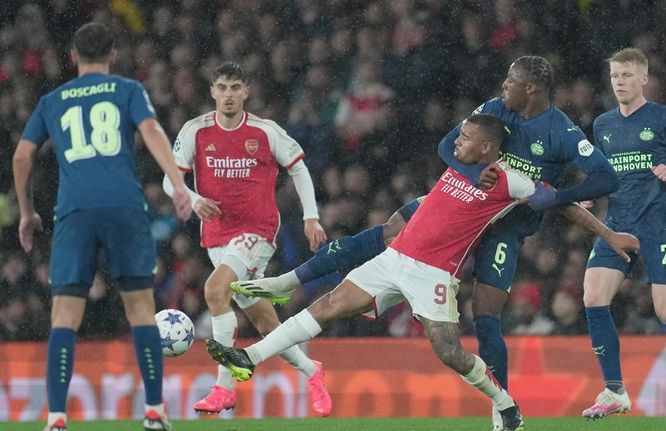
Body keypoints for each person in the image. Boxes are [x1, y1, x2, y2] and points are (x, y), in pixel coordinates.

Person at [238, 56, 632, 430]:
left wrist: (577, 211)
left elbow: (601, 181)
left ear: (530, 89)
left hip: (507, 223)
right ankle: (285, 284)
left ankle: (503, 405)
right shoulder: (495, 110)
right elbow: (449, 146)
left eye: (510, 81)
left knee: (485, 315)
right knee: (391, 228)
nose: (502, 87)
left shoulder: (559, 133)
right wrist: (472, 171)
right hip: (455, 202)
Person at [223, 113, 533, 431]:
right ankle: (250, 356)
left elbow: (545, 194)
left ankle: (505, 405)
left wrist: (575, 199)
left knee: (449, 351)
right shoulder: (459, 164)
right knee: (328, 304)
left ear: (486, 147)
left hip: (434, 274)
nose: (457, 140)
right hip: (394, 259)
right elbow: (450, 144)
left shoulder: (510, 181)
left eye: (465, 137)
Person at [12, 22, 192, 431]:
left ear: (73, 57)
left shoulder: (52, 101)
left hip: (74, 210)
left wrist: (26, 211)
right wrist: (178, 185)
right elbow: (150, 131)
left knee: (64, 318)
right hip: (125, 205)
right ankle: (153, 412)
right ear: (113, 55)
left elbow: (22, 157)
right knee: (141, 311)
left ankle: (56, 417)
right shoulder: (127, 89)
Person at [162, 62, 332, 416]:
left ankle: (224, 388)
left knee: (214, 290)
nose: (228, 95)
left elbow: (298, 168)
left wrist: (311, 216)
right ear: (212, 91)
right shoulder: (195, 131)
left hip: (258, 229)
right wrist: (194, 201)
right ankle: (310, 370)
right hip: (217, 236)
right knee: (266, 321)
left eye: (235, 87)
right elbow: (170, 180)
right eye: (222, 87)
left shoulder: (265, 131)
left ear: (246, 92)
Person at [580, 48, 666, 424]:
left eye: (626, 75)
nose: (619, 82)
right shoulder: (603, 124)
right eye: (614, 76)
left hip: (659, 226)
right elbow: (603, 171)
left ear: (643, 78)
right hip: (618, 225)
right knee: (592, 295)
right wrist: (591, 190)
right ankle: (614, 391)